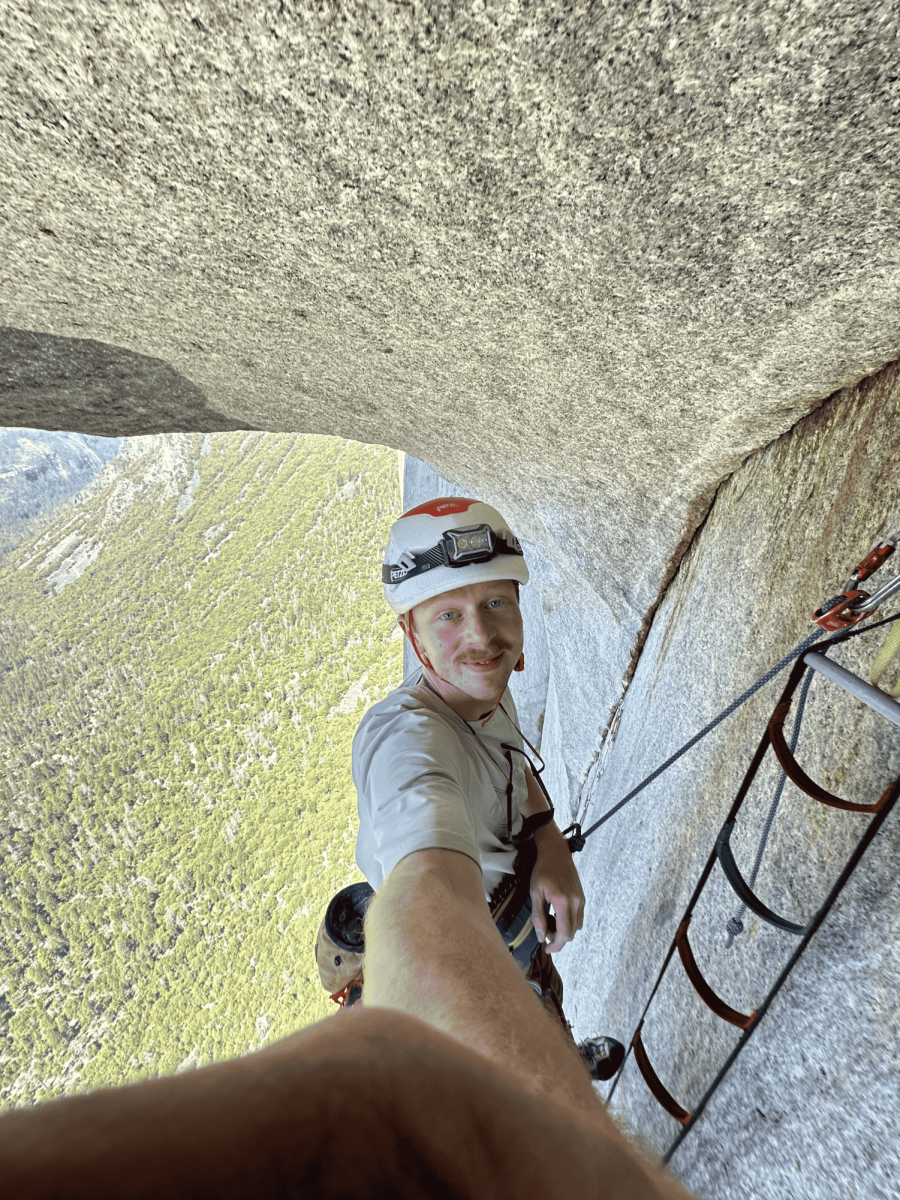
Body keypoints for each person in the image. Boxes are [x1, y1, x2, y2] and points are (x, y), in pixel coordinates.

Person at [340, 495, 625, 1084]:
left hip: (518, 921)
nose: (483, 637)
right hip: (482, 957)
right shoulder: (406, 742)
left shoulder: (479, 688)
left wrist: (547, 840)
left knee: (545, 1003)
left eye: (495, 602)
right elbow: (426, 890)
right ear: (410, 634)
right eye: (447, 615)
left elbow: (511, 763)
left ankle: (564, 1050)